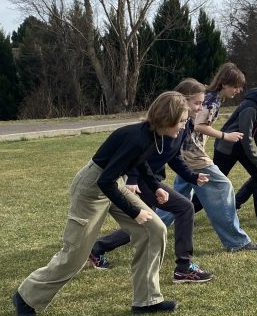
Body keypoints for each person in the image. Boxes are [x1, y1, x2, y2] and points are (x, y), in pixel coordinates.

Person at [11, 92, 189, 316]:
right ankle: (26, 296)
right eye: (182, 120)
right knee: (76, 255)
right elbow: (104, 181)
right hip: (91, 189)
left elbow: (138, 161)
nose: (184, 126)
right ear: (168, 117)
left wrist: (155, 186)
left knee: (155, 230)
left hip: (114, 183)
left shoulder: (151, 135)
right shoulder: (137, 137)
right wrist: (135, 212)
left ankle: (147, 301)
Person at [88, 85, 213, 284]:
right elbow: (135, 156)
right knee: (182, 208)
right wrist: (133, 179)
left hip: (152, 180)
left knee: (147, 222)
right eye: (196, 103)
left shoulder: (183, 127)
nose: (199, 108)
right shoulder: (152, 130)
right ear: (180, 104)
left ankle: (98, 247)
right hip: (143, 180)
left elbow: (174, 157)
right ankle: (183, 267)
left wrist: (191, 176)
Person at [165, 66, 257, 252]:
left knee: (177, 198)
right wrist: (225, 136)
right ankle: (237, 242)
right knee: (224, 187)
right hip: (193, 156)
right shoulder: (211, 100)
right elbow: (200, 126)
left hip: (185, 154)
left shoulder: (210, 98)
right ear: (224, 84)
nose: (238, 90)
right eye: (235, 86)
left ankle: (146, 228)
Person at [213, 78, 257, 227]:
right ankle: (184, 210)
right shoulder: (251, 107)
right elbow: (247, 138)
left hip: (241, 146)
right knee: (213, 184)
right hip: (227, 148)